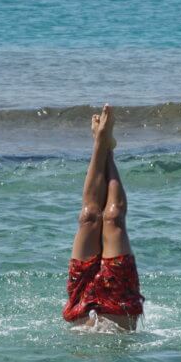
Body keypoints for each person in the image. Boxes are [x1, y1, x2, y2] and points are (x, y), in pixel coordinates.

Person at [63, 105, 144, 331]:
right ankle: (105, 144)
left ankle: (101, 142)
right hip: (120, 305)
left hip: (81, 304)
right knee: (113, 217)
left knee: (90, 217)